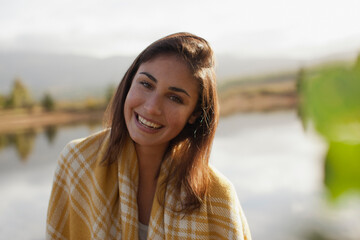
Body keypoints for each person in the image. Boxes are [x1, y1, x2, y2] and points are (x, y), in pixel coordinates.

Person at [46, 32, 251, 240]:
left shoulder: (218, 197)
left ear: (194, 115)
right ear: (130, 82)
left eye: (174, 98)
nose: (152, 108)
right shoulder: (77, 162)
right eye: (146, 84)